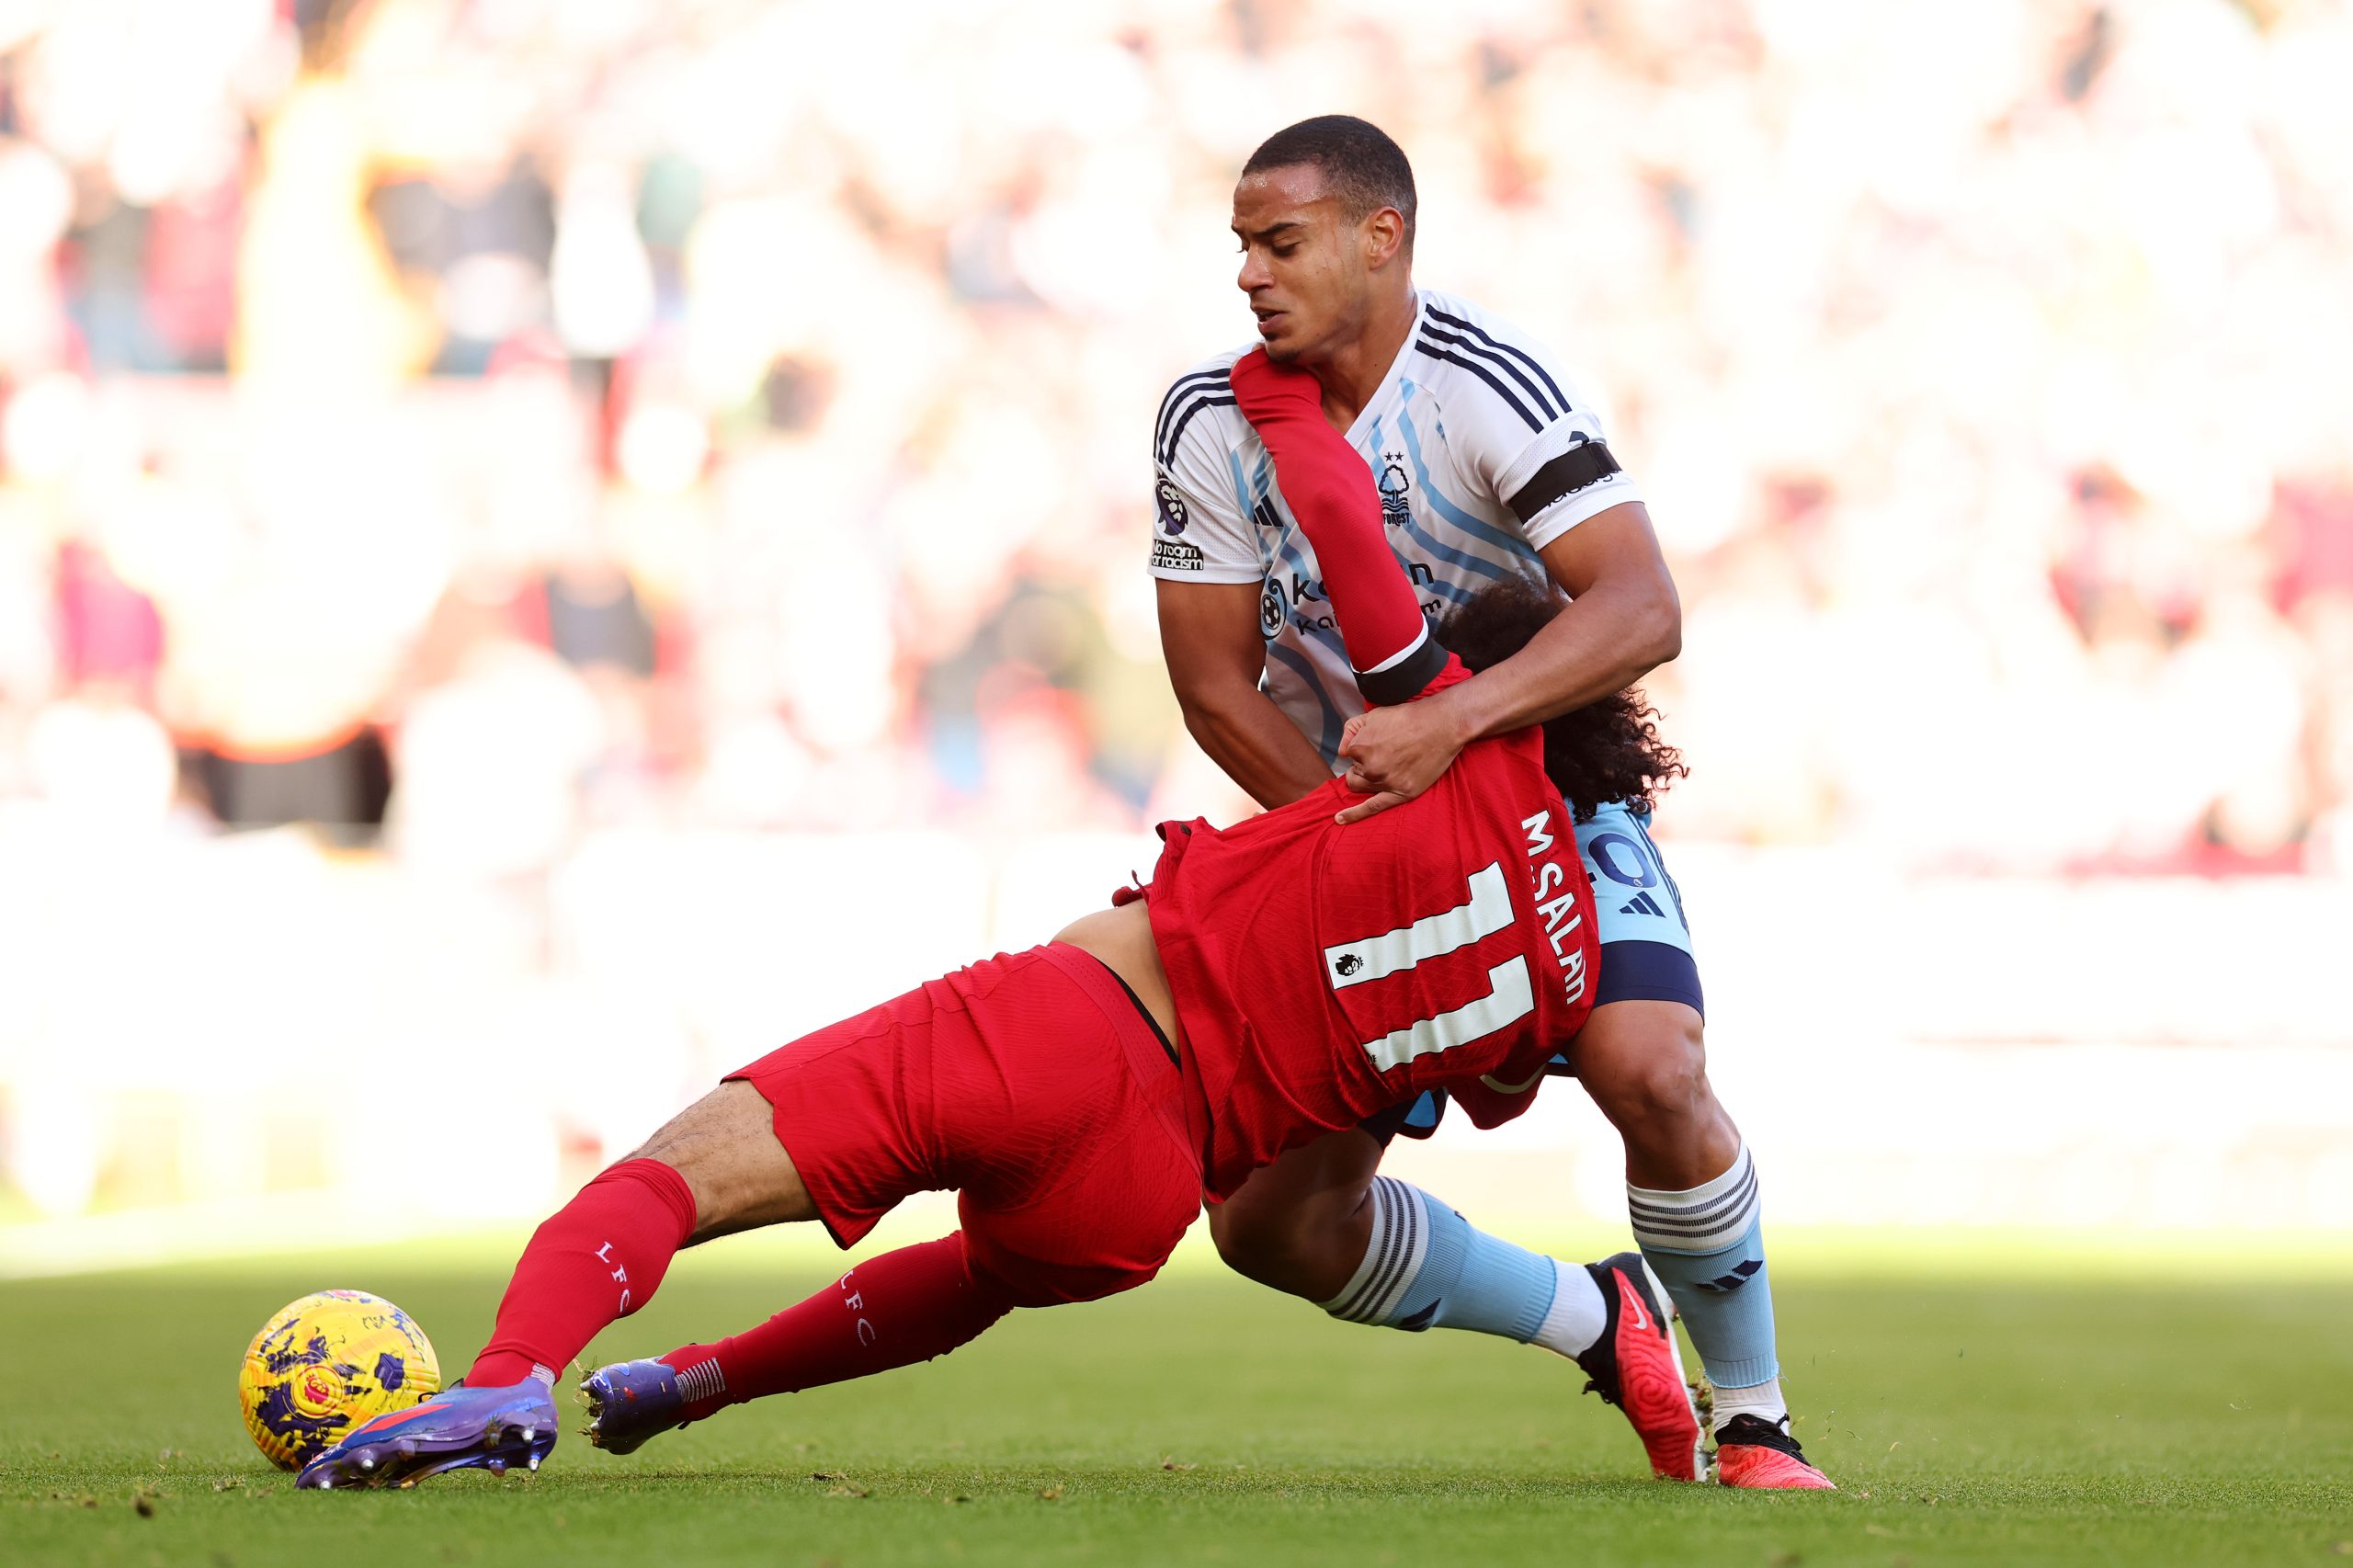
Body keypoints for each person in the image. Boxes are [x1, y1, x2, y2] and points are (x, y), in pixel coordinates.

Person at [292, 348, 1705, 1493]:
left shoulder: (1438, 746)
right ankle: (694, 1378)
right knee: (971, 1274)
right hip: (1146, 1198)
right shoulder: (1560, 955)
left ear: (1508, 686)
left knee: (675, 1173)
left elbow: (1340, 522)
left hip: (1077, 1030)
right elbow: (1492, 1096)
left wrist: (1270, 388)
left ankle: (496, 1383)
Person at [1150, 115, 1828, 1489]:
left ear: (1377, 236)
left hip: (1539, 805)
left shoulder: (1481, 382)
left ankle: (1752, 1415)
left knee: (1656, 1069)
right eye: (1239, 247)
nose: (1248, 277)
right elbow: (1217, 690)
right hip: (1349, 836)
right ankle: (1594, 1316)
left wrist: (1451, 735)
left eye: (1278, 244)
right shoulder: (1208, 418)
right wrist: (1385, 839)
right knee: (1275, 1229)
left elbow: (1643, 605)